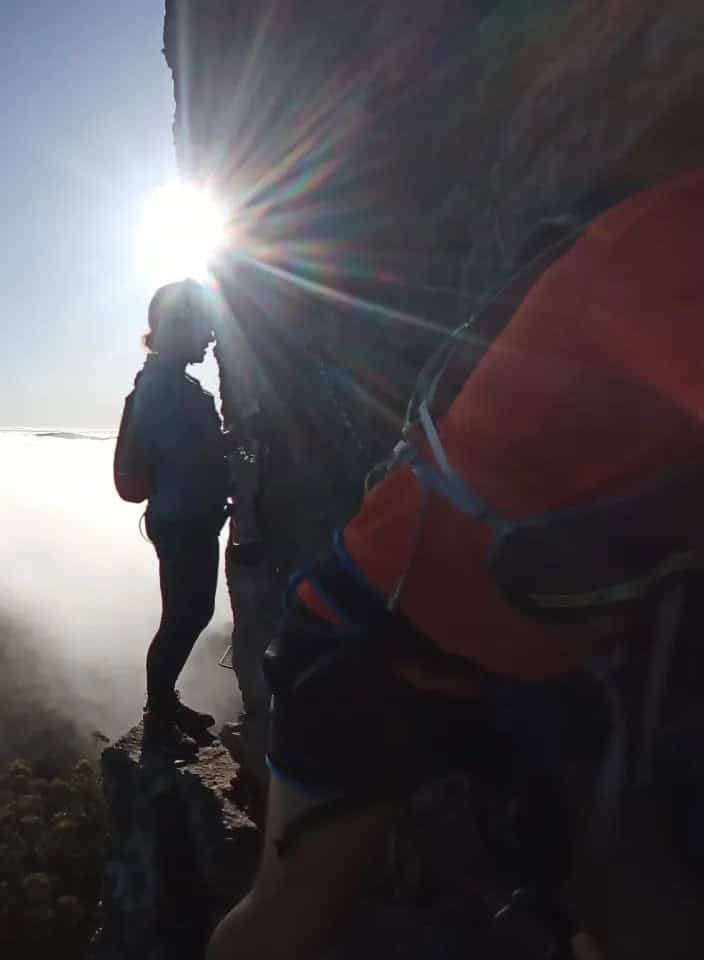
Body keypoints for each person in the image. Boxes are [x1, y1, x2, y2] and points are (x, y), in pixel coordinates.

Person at [207, 96, 704, 959]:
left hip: (520, 650)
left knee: (614, 895)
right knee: (296, 910)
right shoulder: (672, 238)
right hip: (386, 632)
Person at [126, 279, 234, 757]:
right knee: (185, 616)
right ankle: (160, 706)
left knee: (188, 614)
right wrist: (232, 457)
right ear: (176, 328)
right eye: (202, 325)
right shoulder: (166, 387)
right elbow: (185, 455)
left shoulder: (165, 381)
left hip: (182, 517)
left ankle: (162, 703)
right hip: (183, 520)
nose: (210, 336)